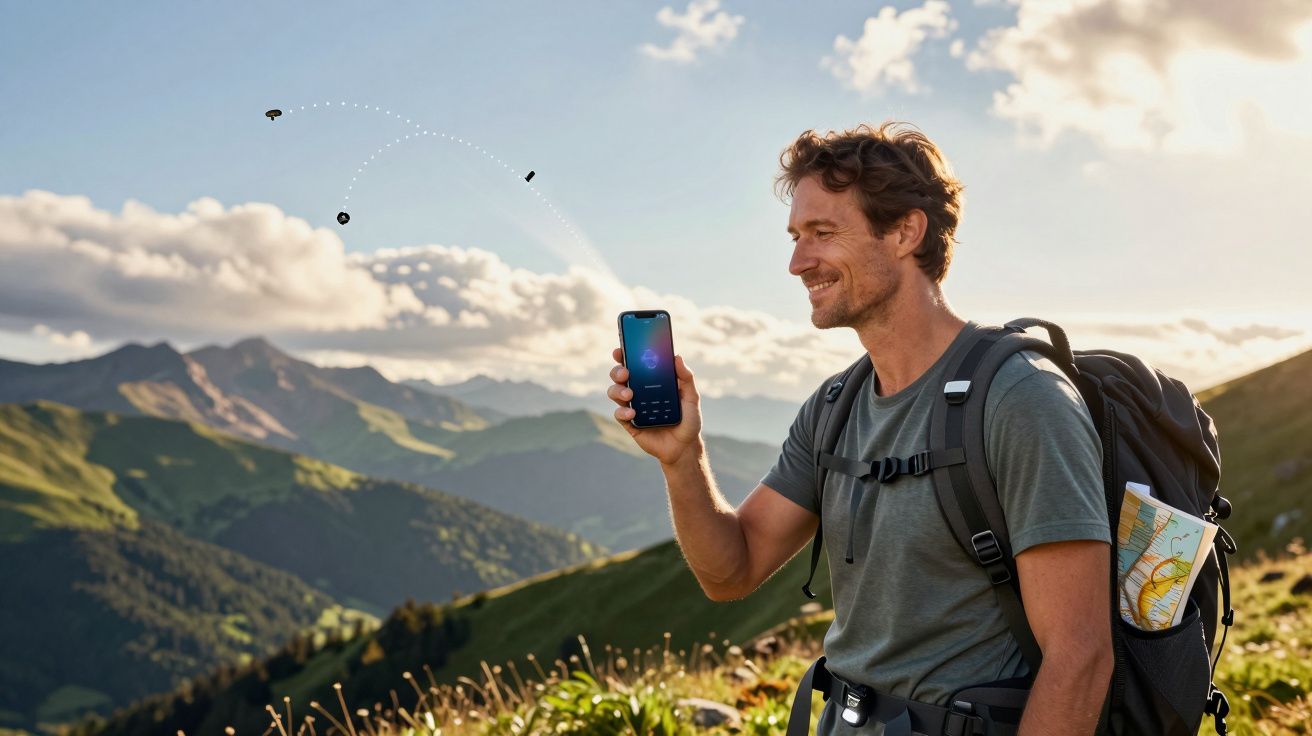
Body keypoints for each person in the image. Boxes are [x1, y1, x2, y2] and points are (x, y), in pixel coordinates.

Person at [605, 121, 1113, 734]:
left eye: (823, 234)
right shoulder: (834, 407)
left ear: (905, 232)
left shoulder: (1020, 399)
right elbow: (731, 571)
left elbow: (1080, 657)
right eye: (795, 237)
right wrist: (681, 458)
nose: (797, 263)